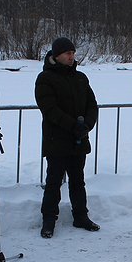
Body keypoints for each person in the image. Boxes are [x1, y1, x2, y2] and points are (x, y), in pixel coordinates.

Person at [34, 37, 100, 239]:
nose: (71, 57)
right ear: (56, 55)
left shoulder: (80, 78)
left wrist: (87, 125)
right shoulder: (45, 78)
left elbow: (92, 104)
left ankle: (81, 216)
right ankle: (48, 219)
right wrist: (73, 126)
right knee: (54, 180)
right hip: (57, 139)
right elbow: (49, 109)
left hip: (79, 138)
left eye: (72, 53)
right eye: (66, 53)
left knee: (78, 180)